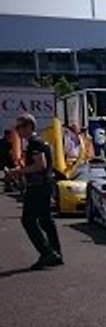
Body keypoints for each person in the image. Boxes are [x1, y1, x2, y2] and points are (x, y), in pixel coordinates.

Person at [6, 114, 63, 269]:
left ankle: (46, 252)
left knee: (28, 220)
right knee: (45, 220)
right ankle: (56, 253)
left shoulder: (35, 143)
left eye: (20, 127)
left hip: (38, 186)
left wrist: (19, 172)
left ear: (30, 126)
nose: (18, 131)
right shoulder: (39, 142)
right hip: (44, 184)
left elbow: (40, 165)